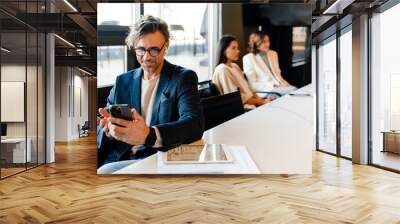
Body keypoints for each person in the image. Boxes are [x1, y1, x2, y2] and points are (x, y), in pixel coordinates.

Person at [97, 15, 204, 174]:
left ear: (165, 47)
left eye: (154, 50)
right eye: (141, 49)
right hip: (122, 157)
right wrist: (107, 130)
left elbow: (194, 124)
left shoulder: (182, 78)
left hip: (157, 159)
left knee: (104, 172)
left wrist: (149, 135)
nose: (146, 57)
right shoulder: (122, 81)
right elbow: (104, 123)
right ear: (134, 46)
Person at [212, 35, 271, 107]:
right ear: (224, 50)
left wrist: (262, 101)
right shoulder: (222, 70)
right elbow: (239, 98)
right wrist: (262, 102)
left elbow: (249, 89)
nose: (238, 51)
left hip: (252, 105)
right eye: (234, 48)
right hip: (243, 110)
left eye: (237, 48)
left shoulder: (235, 66)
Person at [243, 32, 296, 98]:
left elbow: (278, 75)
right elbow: (253, 84)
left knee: (298, 91)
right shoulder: (248, 58)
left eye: (268, 41)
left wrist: (286, 84)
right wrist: (273, 85)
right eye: (264, 42)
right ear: (256, 42)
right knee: (293, 92)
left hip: (281, 86)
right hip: (266, 90)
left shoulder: (273, 53)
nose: (268, 44)